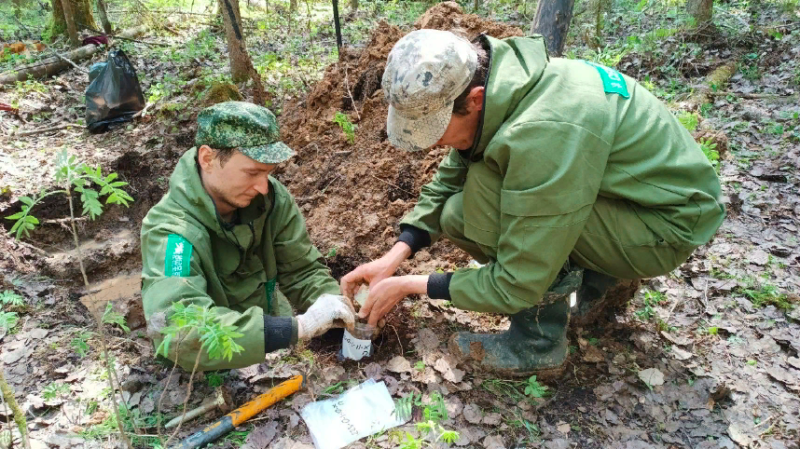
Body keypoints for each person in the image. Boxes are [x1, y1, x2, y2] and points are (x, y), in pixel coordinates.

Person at [342, 29, 725, 377]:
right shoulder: (510, 86)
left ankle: (536, 344)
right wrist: (396, 254)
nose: (434, 144)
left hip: (663, 228)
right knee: (468, 200)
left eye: (436, 131)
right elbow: (452, 174)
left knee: (474, 209)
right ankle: (596, 283)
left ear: (473, 100)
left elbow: (517, 280)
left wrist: (411, 285)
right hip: (635, 199)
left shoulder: (542, 132)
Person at [141, 101, 355, 371]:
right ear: (207, 159)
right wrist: (298, 327)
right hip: (209, 373)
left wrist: (339, 309)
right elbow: (179, 330)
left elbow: (301, 271)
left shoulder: (270, 200)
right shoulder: (173, 234)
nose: (263, 187)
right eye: (252, 172)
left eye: (268, 172)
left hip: (273, 349)